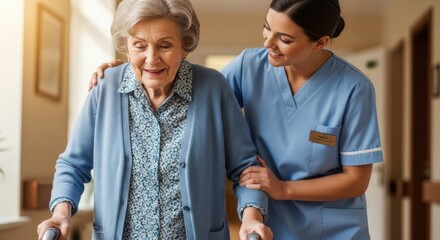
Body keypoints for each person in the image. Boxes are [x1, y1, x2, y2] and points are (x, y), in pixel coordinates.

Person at [89, 0, 384, 239]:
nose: (268, 43)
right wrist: (131, 70)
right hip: (265, 221)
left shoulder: (353, 88)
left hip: (331, 228)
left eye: (284, 39)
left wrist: (283, 188)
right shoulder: (249, 66)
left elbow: (356, 181)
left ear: (319, 43)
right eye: (266, 29)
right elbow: (191, 87)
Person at [37, 0, 273, 239]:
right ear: (126, 47)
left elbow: (246, 168)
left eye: (164, 45)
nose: (151, 59)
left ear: (185, 45)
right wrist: (61, 212)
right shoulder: (105, 89)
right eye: (139, 45)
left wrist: (251, 217)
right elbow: (73, 165)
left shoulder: (213, 88)